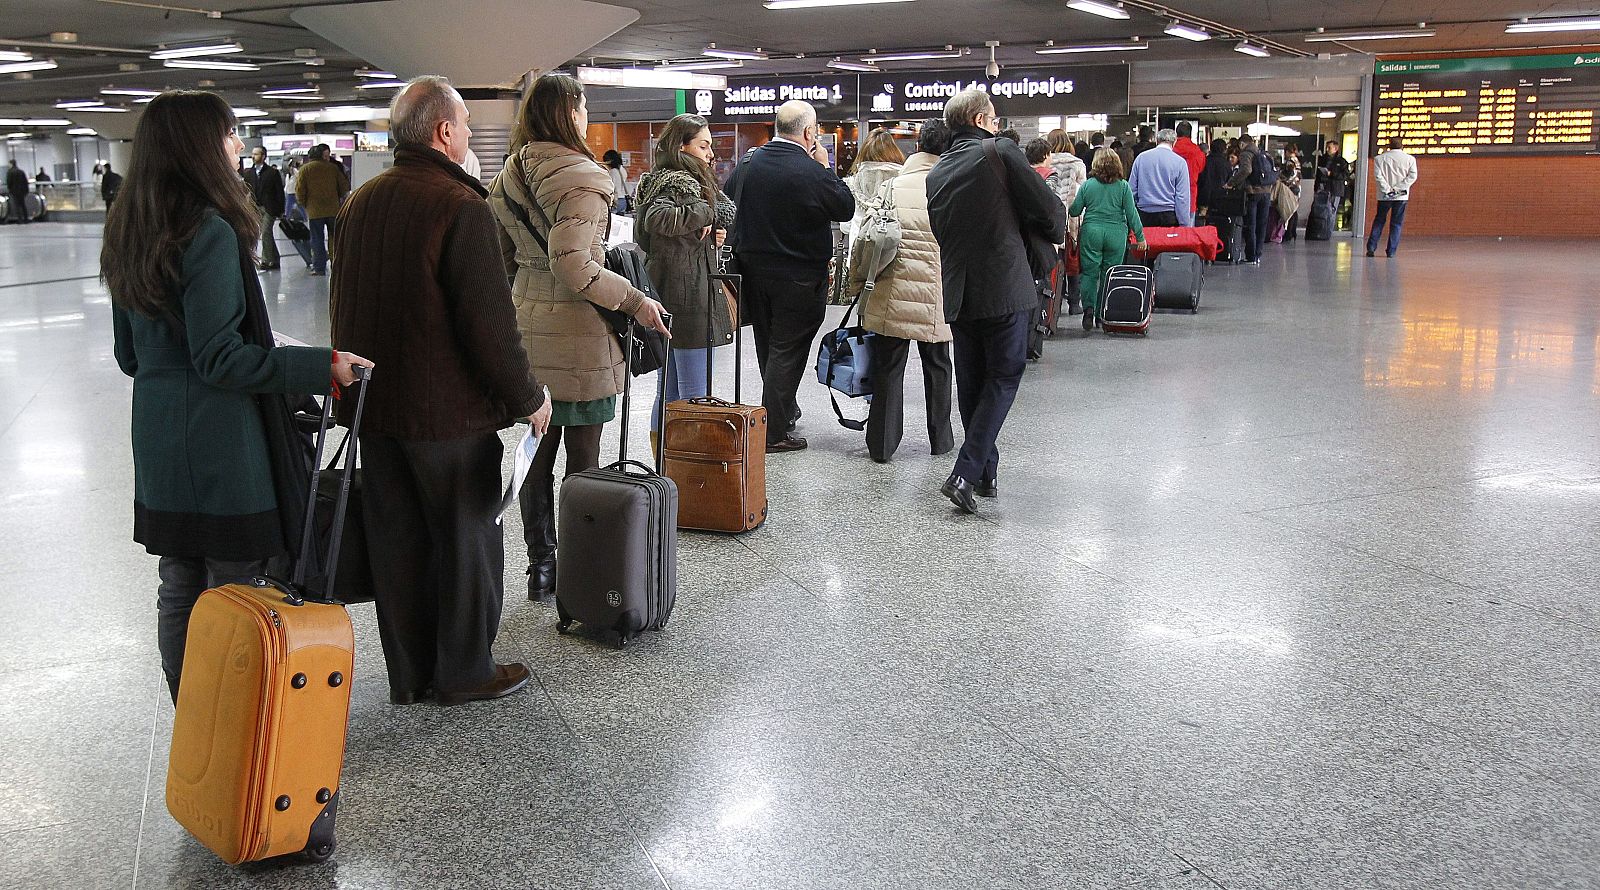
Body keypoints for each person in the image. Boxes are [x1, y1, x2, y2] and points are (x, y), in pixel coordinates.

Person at [103, 90, 373, 703]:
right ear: (199, 147)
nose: (235, 146)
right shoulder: (210, 231)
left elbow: (129, 356)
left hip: (160, 439)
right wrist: (321, 364)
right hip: (221, 445)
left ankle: (194, 715)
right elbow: (220, 358)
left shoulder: (127, 229)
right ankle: (236, 723)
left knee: (179, 583)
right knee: (235, 586)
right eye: (227, 135)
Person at [331, 76, 549, 706]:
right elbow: (490, 326)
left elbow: (342, 305)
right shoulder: (460, 207)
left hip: (376, 409)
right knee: (466, 541)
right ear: (444, 132)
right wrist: (527, 398)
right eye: (464, 126)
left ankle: (410, 674)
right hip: (447, 415)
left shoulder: (361, 202)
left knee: (397, 546)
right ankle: (465, 671)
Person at [488, 73, 671, 602]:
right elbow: (574, 265)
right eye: (583, 107)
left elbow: (504, 259)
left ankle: (540, 567)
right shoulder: (584, 177)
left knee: (536, 454)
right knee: (584, 462)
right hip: (580, 335)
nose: (587, 116)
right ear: (569, 113)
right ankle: (578, 568)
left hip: (529, 328)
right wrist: (638, 301)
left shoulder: (511, 172)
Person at [926, 88, 1065, 514]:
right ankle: (966, 473)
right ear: (982, 119)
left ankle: (985, 472)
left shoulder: (937, 173)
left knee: (972, 381)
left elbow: (941, 231)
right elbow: (1048, 211)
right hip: (1005, 286)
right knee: (1003, 376)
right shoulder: (1001, 151)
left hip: (959, 290)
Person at [724, 99, 854, 454]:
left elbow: (726, 200)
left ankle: (779, 411)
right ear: (810, 133)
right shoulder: (811, 170)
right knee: (788, 348)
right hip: (798, 275)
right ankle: (774, 429)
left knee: (770, 343)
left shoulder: (750, 163)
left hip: (752, 271)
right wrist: (827, 169)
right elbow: (845, 206)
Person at [847, 119, 954, 464]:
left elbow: (867, 238)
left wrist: (855, 284)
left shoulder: (892, 187)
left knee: (889, 366)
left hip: (892, 291)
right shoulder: (951, 186)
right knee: (938, 365)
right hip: (937, 294)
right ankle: (941, 440)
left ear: (918, 147)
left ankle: (881, 444)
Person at [634, 113, 738, 449]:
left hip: (672, 289)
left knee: (671, 390)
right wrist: (706, 213)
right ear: (682, 147)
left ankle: (666, 464)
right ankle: (693, 472)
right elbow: (657, 219)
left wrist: (708, 235)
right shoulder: (676, 182)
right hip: (687, 294)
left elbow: (726, 212)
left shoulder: (670, 180)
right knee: (695, 392)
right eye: (703, 145)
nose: (710, 153)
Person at [1069, 149, 1145, 332]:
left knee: (1089, 273)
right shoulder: (1123, 186)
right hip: (1116, 234)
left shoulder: (1088, 185)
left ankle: (1088, 309)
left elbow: (1075, 211)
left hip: (1092, 232)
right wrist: (1140, 237)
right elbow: (1132, 213)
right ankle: (1102, 315)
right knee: (1109, 274)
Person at [294, 143, 349, 276]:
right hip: (333, 209)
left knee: (317, 239)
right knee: (335, 238)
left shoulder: (305, 169)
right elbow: (343, 187)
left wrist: (303, 203)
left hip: (314, 211)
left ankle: (319, 267)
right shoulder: (333, 168)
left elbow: (300, 190)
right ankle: (337, 264)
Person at [843, 127, 905, 240]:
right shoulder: (903, 181)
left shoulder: (852, 183)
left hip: (861, 250)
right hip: (895, 249)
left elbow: (845, 227)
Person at [1127, 128, 1193, 228]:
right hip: (1169, 216)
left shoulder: (1141, 158)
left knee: (1146, 243)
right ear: (1174, 142)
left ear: (1157, 141)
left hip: (1144, 214)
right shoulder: (1180, 162)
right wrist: (1184, 223)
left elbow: (1132, 190)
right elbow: (1182, 197)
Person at [1366, 136, 1418, 258]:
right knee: (1396, 223)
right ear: (1402, 146)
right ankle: (1391, 251)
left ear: (1389, 146)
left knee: (1379, 220)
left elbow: (1378, 177)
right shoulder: (1410, 159)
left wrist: (1388, 190)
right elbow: (1412, 176)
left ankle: (1371, 248)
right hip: (1401, 197)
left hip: (1384, 196)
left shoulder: (1379, 159)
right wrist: (1399, 188)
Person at [1225, 134, 1271, 264]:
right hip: (1266, 192)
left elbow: (1246, 170)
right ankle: (1258, 255)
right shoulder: (1262, 153)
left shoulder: (1246, 153)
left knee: (1251, 224)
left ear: (1241, 144)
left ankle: (1250, 255)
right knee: (1262, 225)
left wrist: (1231, 183)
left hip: (1253, 192)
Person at [242, 146, 285, 271]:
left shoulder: (272, 172)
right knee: (267, 234)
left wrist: (281, 209)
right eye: (253, 154)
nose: (253, 156)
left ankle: (266, 260)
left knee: (266, 232)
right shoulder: (248, 173)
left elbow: (279, 192)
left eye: (256, 154)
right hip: (256, 207)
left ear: (263, 156)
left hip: (269, 208)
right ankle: (275, 259)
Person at [1172, 122, 1206, 218]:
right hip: (1190, 196)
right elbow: (1200, 170)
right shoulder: (1199, 153)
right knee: (1188, 230)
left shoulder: (1170, 149)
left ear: (1176, 133)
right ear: (1191, 133)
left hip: (1170, 196)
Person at [1315, 139, 1350, 223]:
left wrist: (1332, 174)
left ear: (1335, 149)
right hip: (1322, 187)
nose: (1327, 150)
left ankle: (1328, 228)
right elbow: (1318, 174)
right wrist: (1316, 187)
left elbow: (1345, 175)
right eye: (1327, 147)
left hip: (1335, 189)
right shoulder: (1322, 159)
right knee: (1321, 209)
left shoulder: (1342, 161)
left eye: (1329, 148)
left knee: (1332, 210)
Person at [6, 159, 30, 224]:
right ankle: (26, 219)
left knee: (17, 206)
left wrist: (9, 189)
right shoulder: (21, 171)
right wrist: (26, 191)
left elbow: (9, 182)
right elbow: (25, 182)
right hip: (22, 191)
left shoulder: (10, 172)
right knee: (23, 205)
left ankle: (20, 219)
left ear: (11, 164)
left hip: (14, 191)